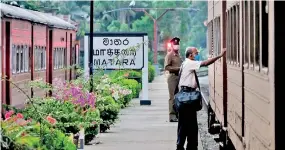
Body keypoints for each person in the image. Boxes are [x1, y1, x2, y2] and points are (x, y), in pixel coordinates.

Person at [176, 47, 226, 150]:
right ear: (190, 55)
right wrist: (220, 56)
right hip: (187, 98)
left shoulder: (186, 63)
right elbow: (205, 63)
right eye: (196, 53)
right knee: (189, 125)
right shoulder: (189, 63)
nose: (197, 54)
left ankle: (185, 145)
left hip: (186, 97)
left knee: (185, 124)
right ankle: (185, 146)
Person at [164, 37, 182, 122]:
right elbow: (167, 67)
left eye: (177, 44)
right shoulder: (170, 55)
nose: (176, 46)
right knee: (172, 97)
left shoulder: (179, 55)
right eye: (175, 44)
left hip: (179, 77)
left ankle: (178, 114)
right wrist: (178, 68)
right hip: (172, 78)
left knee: (178, 96)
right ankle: (172, 116)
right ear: (172, 45)